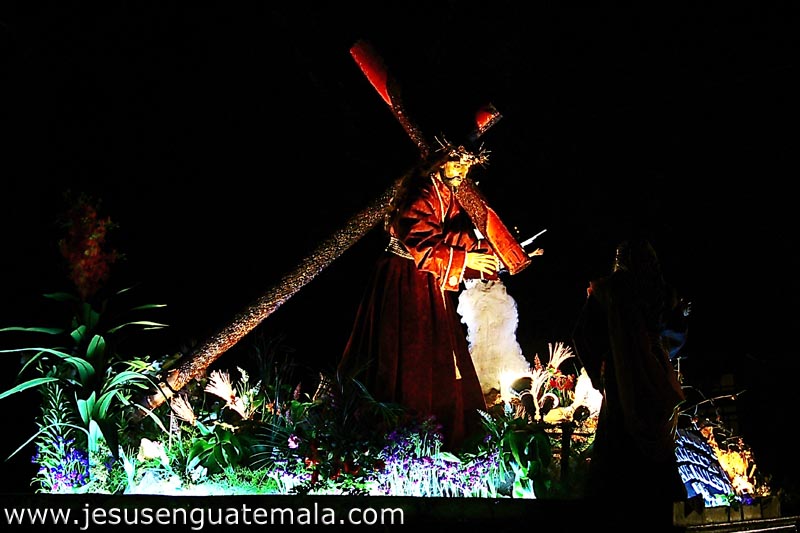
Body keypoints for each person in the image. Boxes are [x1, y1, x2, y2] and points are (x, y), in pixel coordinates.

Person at [337, 142, 513, 450]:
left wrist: (496, 254)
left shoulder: (447, 194)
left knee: (437, 352)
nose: (461, 172)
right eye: (456, 164)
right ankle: (397, 431)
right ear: (439, 162)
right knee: (406, 351)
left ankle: (437, 431)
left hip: (427, 281)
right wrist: (465, 259)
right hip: (403, 280)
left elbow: (456, 237)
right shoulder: (419, 194)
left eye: (466, 166)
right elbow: (421, 241)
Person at [571, 237, 687, 522]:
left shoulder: (608, 292)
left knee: (619, 440)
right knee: (655, 443)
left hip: (620, 376)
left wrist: (602, 372)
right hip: (654, 376)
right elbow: (677, 334)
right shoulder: (661, 293)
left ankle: (615, 509)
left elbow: (583, 336)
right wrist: (656, 354)